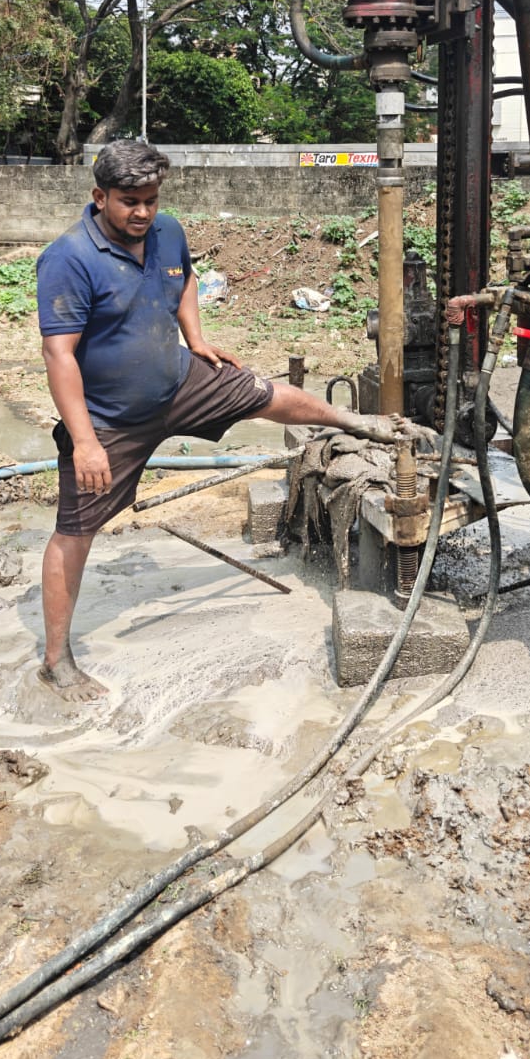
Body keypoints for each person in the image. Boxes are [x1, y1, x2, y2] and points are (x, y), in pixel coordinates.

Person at [36, 141, 402, 703]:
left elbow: (183, 278)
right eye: (129, 201)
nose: (142, 213)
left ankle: (356, 421)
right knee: (75, 531)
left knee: (265, 392)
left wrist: (196, 339)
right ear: (99, 196)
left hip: (179, 381)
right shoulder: (68, 258)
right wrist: (85, 442)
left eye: (151, 200)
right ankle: (57, 661)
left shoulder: (168, 231)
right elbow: (59, 356)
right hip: (110, 419)